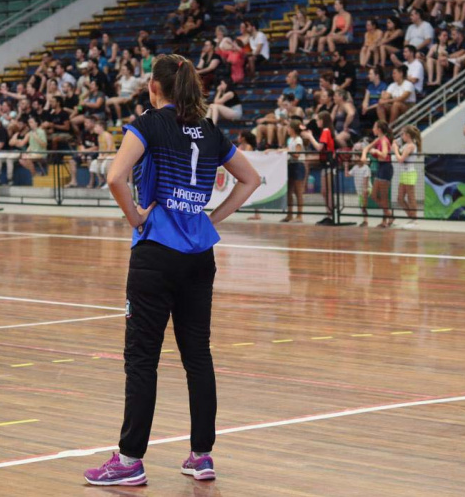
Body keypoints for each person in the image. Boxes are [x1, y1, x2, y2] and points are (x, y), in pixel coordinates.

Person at [84, 54, 260, 487]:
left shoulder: (148, 125)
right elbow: (251, 179)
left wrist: (137, 217)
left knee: (142, 358)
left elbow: (114, 177)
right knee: (197, 355)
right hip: (200, 256)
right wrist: (209, 219)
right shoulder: (209, 130)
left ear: (154, 88)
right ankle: (201, 456)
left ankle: (129, 460)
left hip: (157, 253)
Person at [300, 111, 337, 225]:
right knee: (324, 191)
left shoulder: (326, 131)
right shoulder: (325, 131)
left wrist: (310, 137)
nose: (316, 122)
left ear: (322, 120)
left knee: (328, 191)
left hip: (329, 163)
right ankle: (328, 214)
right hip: (324, 163)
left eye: (317, 120)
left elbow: (319, 147)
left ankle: (330, 215)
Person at [361, 121, 394, 228]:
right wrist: (363, 156)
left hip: (386, 168)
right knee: (374, 196)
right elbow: (366, 148)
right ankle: (389, 215)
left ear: (379, 129)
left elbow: (384, 155)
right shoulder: (378, 139)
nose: (373, 129)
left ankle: (385, 220)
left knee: (383, 197)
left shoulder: (384, 141)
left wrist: (375, 151)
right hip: (381, 167)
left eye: (374, 127)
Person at [392, 125, 421, 228]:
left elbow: (400, 159)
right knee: (400, 198)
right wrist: (396, 144)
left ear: (407, 135)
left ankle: (415, 220)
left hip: (409, 173)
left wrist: (395, 148)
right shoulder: (406, 145)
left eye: (403, 134)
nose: (401, 136)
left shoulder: (411, 146)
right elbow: (399, 153)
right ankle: (412, 217)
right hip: (404, 173)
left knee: (411, 198)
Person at [281, 120, 306, 223]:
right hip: (291, 164)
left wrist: (288, 152)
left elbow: (297, 154)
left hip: (298, 165)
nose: (287, 129)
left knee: (298, 192)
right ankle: (289, 214)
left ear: (292, 129)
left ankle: (299, 216)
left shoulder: (298, 140)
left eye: (288, 128)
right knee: (289, 191)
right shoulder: (290, 140)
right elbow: (287, 149)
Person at [89, 120, 115, 189]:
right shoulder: (99, 137)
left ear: (101, 127)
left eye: (96, 127)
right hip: (104, 156)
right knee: (94, 163)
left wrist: (104, 157)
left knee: (105, 164)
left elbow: (109, 148)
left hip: (112, 155)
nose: (94, 128)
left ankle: (108, 182)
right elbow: (100, 149)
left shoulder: (107, 135)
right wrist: (100, 155)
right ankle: (101, 180)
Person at [349, 154, 371, 227]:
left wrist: (364, 191)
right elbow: (347, 175)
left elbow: (365, 182)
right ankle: (365, 221)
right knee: (362, 206)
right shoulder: (355, 168)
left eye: (357, 156)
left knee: (364, 206)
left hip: (367, 189)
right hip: (360, 191)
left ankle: (366, 221)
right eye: (355, 156)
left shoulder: (366, 168)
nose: (355, 158)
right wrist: (346, 165)